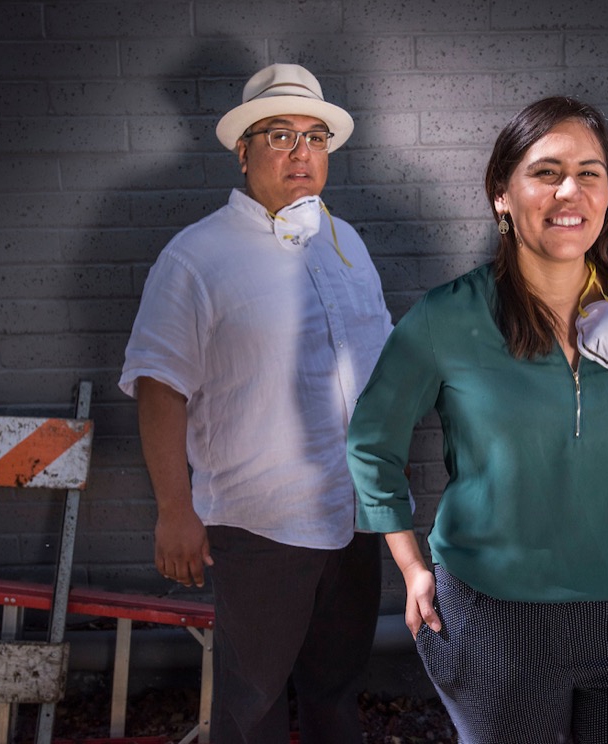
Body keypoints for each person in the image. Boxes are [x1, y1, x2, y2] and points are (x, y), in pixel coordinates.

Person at [346, 96, 608, 744]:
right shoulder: (445, 317)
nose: (569, 189)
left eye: (590, 172)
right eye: (546, 171)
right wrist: (411, 567)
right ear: (501, 193)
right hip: (497, 624)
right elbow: (370, 443)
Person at [119, 63, 393, 744]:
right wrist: (175, 510)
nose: (302, 153)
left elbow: (384, 367)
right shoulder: (197, 257)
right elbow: (159, 386)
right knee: (253, 708)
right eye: (279, 136)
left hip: (352, 515)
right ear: (244, 152)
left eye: (315, 136)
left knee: (336, 693)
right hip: (260, 525)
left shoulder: (345, 242)